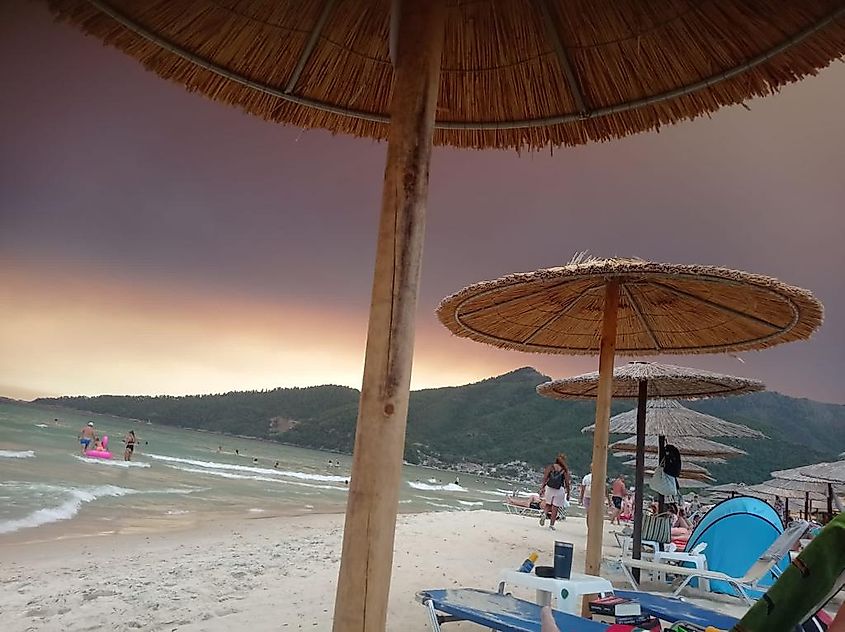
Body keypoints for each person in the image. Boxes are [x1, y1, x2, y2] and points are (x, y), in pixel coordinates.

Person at [540, 453, 571, 531]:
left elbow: (545, 478)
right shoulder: (564, 470)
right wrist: (568, 493)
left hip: (549, 488)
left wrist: (542, 488)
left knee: (548, 504)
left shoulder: (551, 467)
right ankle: (551, 525)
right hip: (559, 489)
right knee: (555, 508)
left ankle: (544, 513)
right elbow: (567, 482)